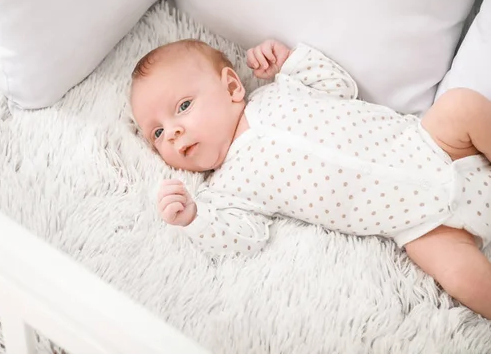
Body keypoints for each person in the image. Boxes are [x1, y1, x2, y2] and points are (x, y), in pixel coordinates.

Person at [130, 38, 491, 319]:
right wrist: (194, 218)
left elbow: (340, 87)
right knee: (460, 277)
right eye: (157, 133)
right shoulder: (223, 190)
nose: (173, 132)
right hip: (421, 225)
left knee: (461, 106)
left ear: (231, 88)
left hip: (433, 145)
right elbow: (243, 239)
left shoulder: (279, 92)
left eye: (183, 107)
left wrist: (289, 61)